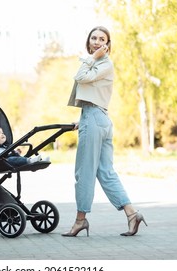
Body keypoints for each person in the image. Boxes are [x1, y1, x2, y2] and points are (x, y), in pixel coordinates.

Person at [63, 26, 147, 237]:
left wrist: (90, 57)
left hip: (95, 119)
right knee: (105, 172)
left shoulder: (103, 63)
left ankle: (80, 221)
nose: (98, 41)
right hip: (96, 117)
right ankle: (132, 213)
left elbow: (80, 76)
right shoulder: (99, 63)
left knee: (84, 173)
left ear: (108, 44)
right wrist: (82, 120)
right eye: (94, 38)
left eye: (102, 39)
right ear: (88, 40)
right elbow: (91, 97)